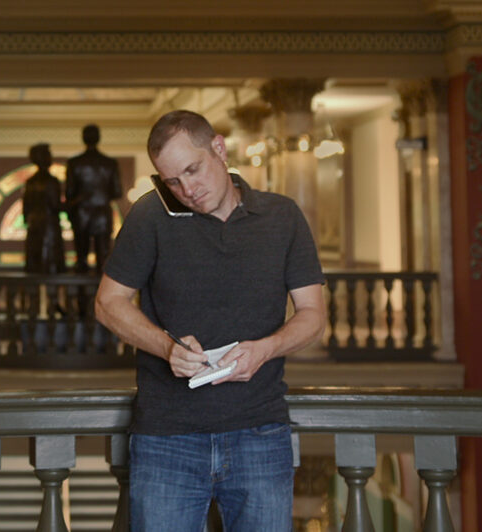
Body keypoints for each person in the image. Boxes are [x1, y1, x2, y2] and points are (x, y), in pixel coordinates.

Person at [94, 109, 326, 532]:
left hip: (260, 431)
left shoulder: (283, 216)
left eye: (193, 170)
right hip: (167, 436)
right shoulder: (149, 216)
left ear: (218, 148)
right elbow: (108, 303)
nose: (187, 189)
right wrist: (167, 348)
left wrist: (266, 348)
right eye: (173, 181)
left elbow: (313, 317)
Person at [66, 123, 123, 273]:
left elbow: (69, 193)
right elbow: (117, 192)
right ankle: (102, 295)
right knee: (103, 261)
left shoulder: (74, 163)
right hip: (103, 214)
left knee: (81, 260)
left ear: (83, 138)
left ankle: (82, 296)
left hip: (81, 214)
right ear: (99, 138)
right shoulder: (110, 163)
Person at [22, 143, 66, 274]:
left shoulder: (30, 182)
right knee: (50, 266)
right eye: (48, 154)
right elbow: (56, 206)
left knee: (35, 266)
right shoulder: (51, 181)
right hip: (50, 228)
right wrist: (75, 203)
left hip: (34, 227)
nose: (51, 157)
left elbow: (26, 209)